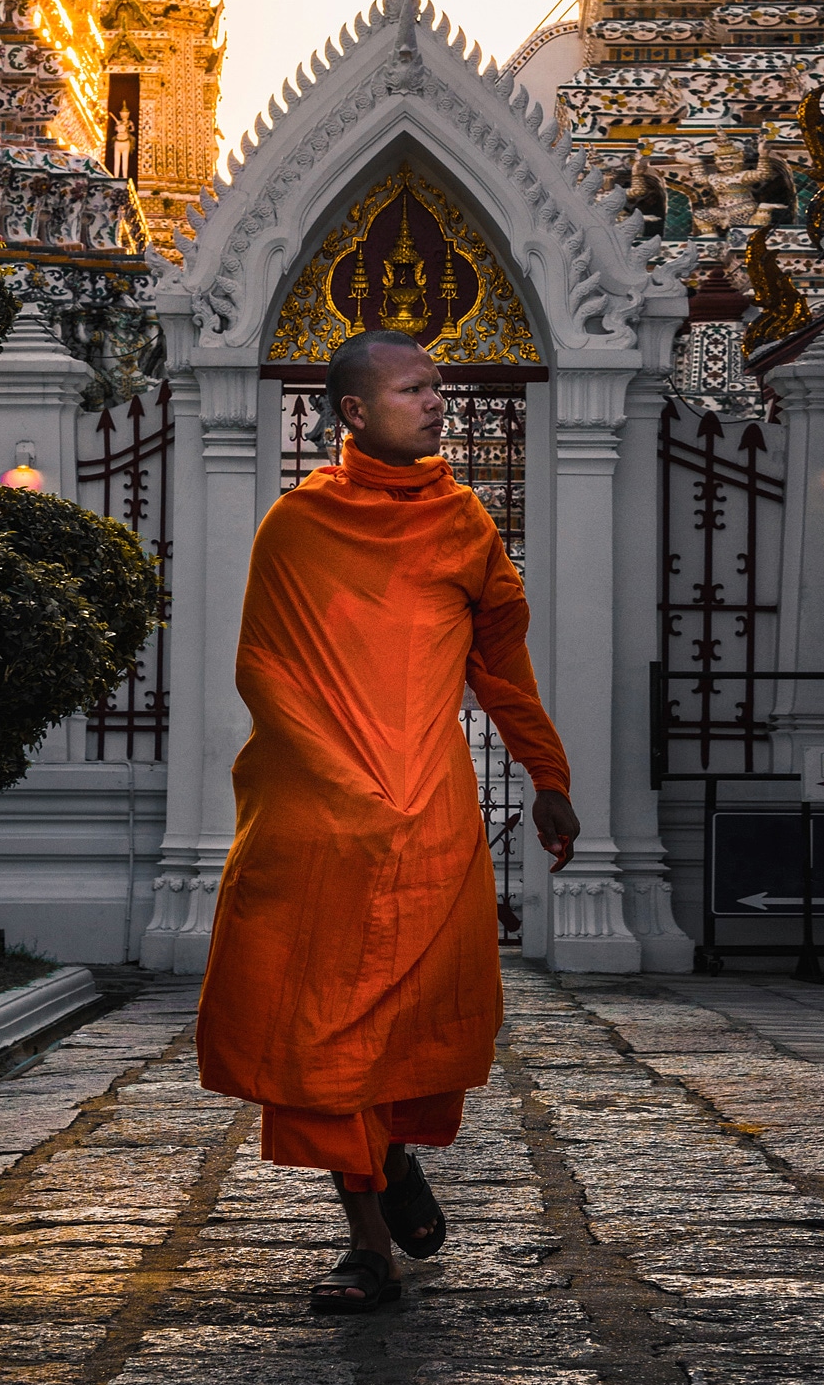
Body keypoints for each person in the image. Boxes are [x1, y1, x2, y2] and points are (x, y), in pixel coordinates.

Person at [195, 328, 580, 1314]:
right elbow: (264, 670)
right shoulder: (297, 524)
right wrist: (336, 782)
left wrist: (544, 770)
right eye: (412, 390)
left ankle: (392, 1154)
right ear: (355, 412)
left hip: (430, 823)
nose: (435, 403)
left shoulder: (463, 526)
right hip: (322, 820)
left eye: (438, 389)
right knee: (324, 1030)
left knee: (397, 1028)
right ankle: (365, 1243)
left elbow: (499, 665)